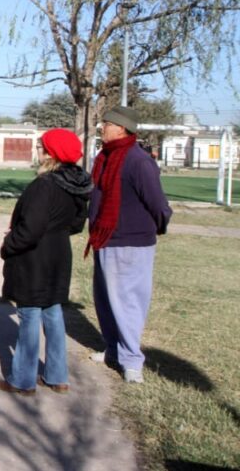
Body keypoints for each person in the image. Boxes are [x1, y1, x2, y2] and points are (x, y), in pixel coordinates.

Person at [0, 129, 92, 396]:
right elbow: (76, 223)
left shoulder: (45, 185)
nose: (38, 150)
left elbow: (31, 228)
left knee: (29, 314)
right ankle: (57, 376)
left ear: (51, 153)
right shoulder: (78, 183)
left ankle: (22, 380)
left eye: (41, 147)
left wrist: (9, 244)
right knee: (52, 311)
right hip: (59, 252)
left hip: (35, 255)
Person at [88, 105, 172, 383]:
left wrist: (157, 226)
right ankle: (113, 349)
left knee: (128, 302)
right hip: (104, 238)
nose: (102, 128)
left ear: (121, 128)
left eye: (106, 124)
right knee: (106, 301)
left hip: (131, 243)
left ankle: (131, 360)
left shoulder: (138, 161)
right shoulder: (104, 157)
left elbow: (158, 204)